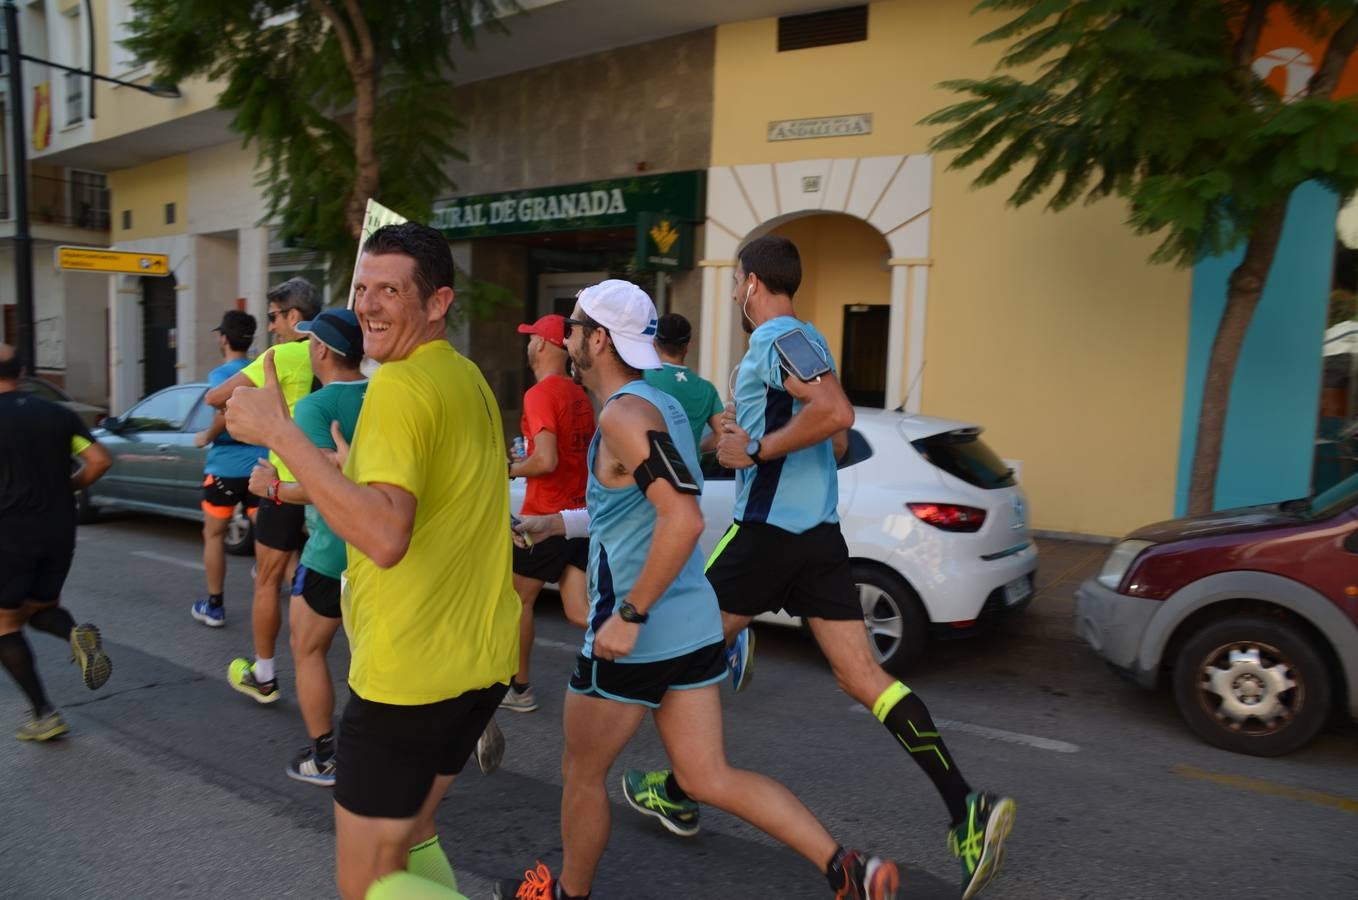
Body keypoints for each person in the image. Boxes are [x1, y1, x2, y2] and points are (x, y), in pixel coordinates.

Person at [624, 236, 1017, 899]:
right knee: (865, 677)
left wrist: (758, 450)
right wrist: (746, 440)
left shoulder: (777, 337)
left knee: (665, 646)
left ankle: (678, 786)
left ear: (749, 282)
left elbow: (833, 414)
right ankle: (966, 809)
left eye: (733, 282)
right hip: (816, 538)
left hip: (767, 535)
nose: (733, 293)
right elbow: (834, 439)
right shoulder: (807, 340)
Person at [497, 280, 899, 900]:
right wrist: (562, 521)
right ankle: (847, 866)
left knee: (581, 773)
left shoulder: (623, 414)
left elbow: (681, 516)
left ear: (598, 340)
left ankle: (565, 895)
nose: (567, 336)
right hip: (694, 625)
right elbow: (641, 498)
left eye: (573, 326)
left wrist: (630, 612)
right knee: (708, 775)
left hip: (636, 636)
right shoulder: (664, 407)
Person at [223, 222, 519, 900]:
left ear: (438, 302)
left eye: (391, 290)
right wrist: (331, 469)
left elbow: (385, 538)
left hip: (408, 678)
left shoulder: (400, 387)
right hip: (479, 662)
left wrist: (277, 432)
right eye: (362, 289)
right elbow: (417, 494)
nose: (370, 305)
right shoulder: (463, 375)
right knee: (411, 838)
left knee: (367, 887)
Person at [244, 309, 366, 786]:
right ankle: (381, 748)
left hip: (332, 549)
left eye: (312, 342)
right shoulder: (384, 395)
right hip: (379, 546)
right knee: (368, 656)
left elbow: (316, 486)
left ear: (322, 350)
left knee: (307, 647)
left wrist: (273, 488)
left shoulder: (317, 407)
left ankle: (327, 755)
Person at [204, 277, 322, 702]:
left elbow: (215, 397)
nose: (270, 327)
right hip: (335, 483)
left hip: (284, 482)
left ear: (294, 316)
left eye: (274, 317)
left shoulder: (284, 355)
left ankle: (265, 675)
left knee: (267, 580)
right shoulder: (340, 353)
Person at [0, 345, 113, 741]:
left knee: (4, 625)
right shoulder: (57, 414)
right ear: (24, 371)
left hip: (9, 532)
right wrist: (66, 488)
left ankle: (43, 714)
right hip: (59, 529)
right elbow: (100, 460)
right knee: (39, 607)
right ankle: (73, 636)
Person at [503, 314, 594, 713]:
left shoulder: (539, 394)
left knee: (515, 601)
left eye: (531, 338)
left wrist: (505, 468)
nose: (528, 345)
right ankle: (656, 654)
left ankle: (518, 689)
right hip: (581, 517)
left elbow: (545, 459)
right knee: (579, 611)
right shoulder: (580, 395)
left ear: (542, 345)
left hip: (546, 517)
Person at [190, 310, 264, 628]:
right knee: (271, 536)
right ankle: (292, 586)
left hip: (225, 469)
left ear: (224, 338)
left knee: (214, 535)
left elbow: (224, 413)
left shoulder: (221, 375)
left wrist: (205, 436)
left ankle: (215, 606)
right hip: (262, 465)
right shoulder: (263, 369)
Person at [643, 312, 724, 454]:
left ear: (654, 343)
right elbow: (722, 435)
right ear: (688, 346)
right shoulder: (707, 389)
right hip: (691, 473)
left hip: (650, 472)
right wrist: (694, 449)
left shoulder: (641, 379)